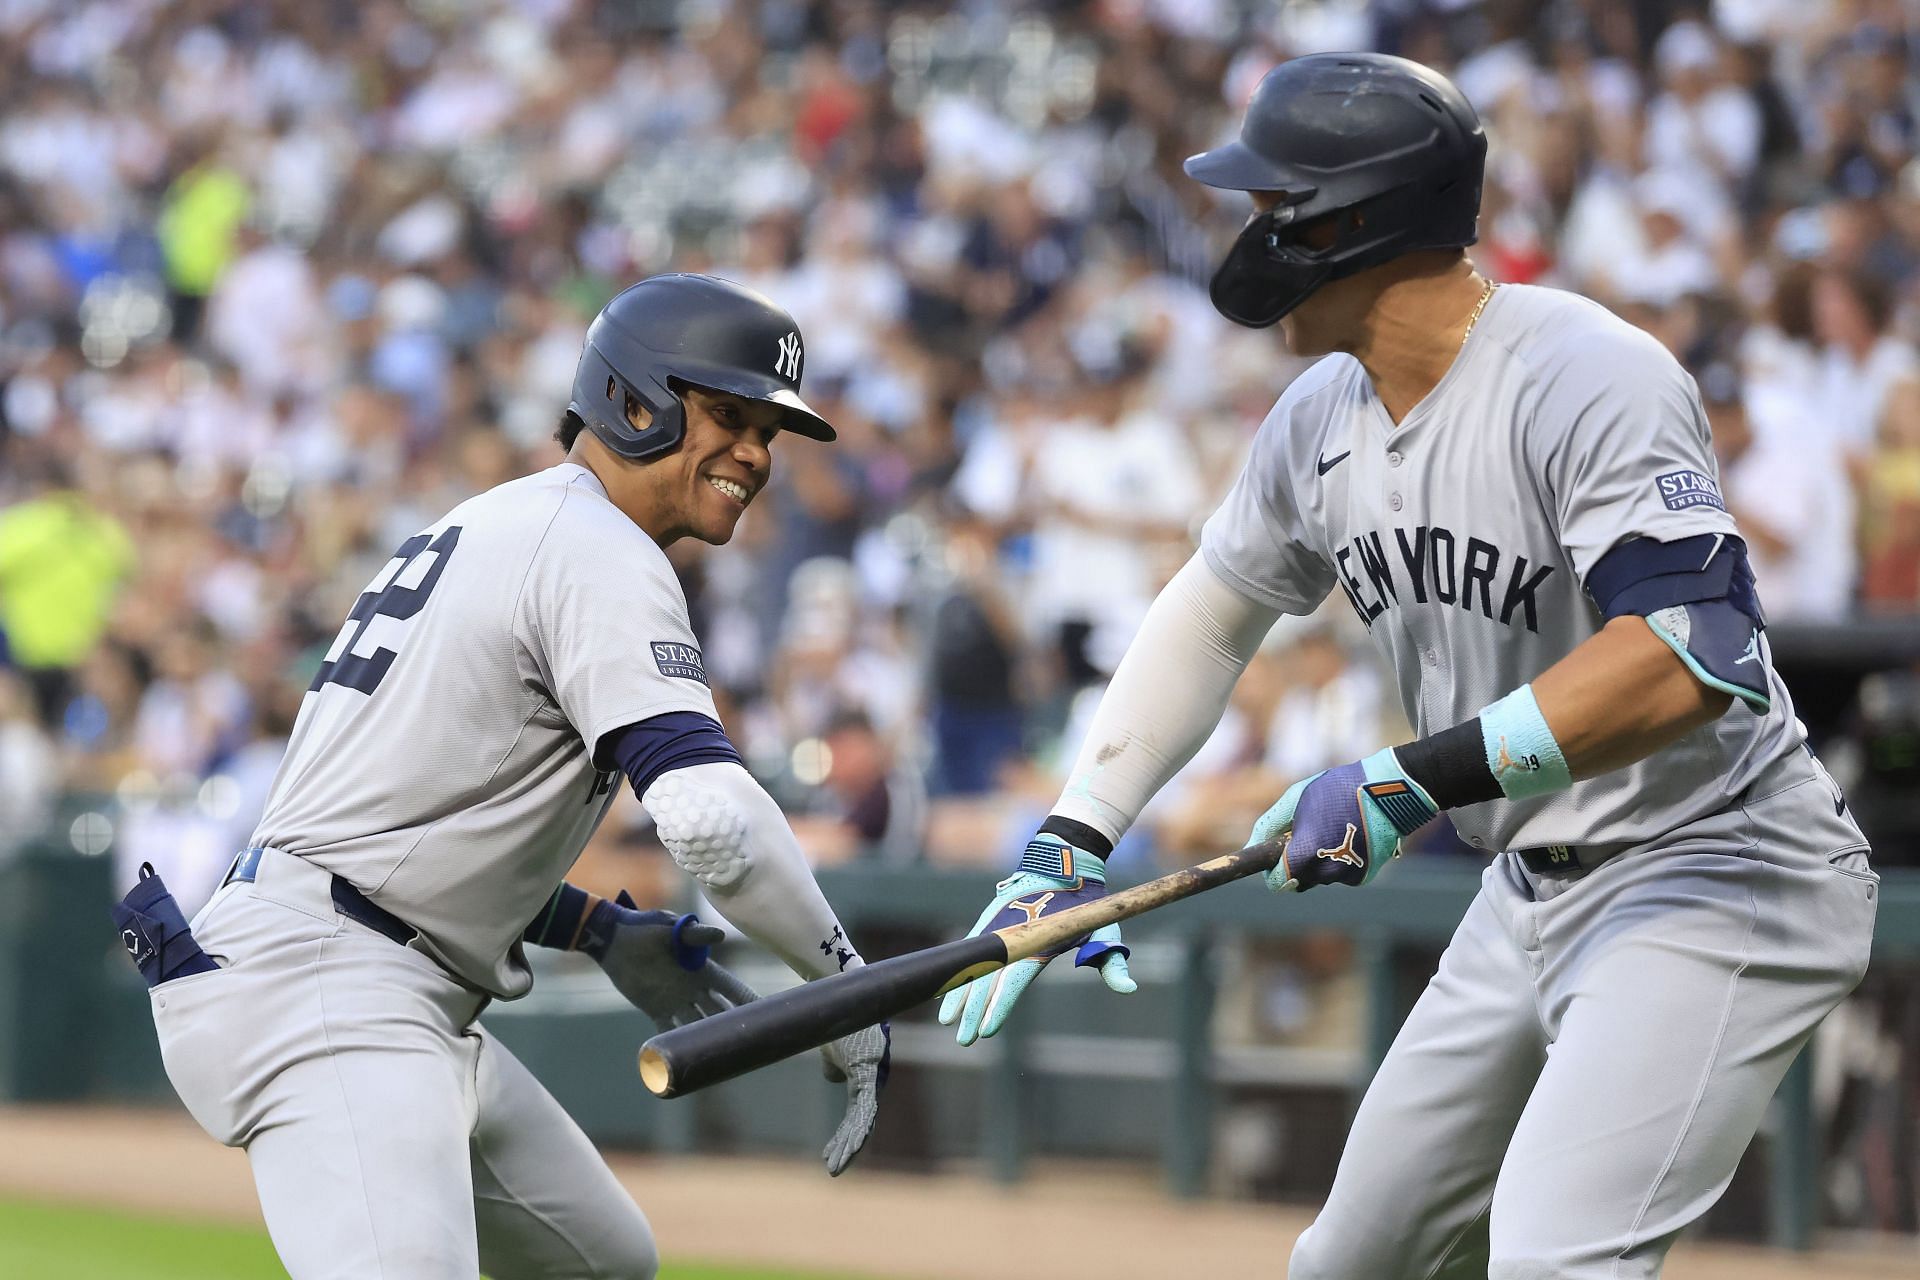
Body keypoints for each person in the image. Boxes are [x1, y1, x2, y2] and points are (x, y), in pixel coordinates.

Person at [937, 55, 1876, 1279]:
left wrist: (1406, 779)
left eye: (1278, 205)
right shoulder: (1320, 416)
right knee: (1348, 1263)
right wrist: (1073, 838)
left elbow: (1694, 657)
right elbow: (1211, 616)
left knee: (1554, 1260)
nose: (1253, 233)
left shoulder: (1584, 370)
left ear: (1356, 222)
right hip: (1528, 886)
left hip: (1715, 856)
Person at [133, 275, 888, 1280]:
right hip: (335, 983)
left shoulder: (511, 522)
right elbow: (714, 823)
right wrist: (844, 990)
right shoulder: (595, 549)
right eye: (728, 414)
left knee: (604, 1260)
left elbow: (415, 818)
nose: (755, 451)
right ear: (633, 400)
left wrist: (596, 929)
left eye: (769, 430)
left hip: (350, 957)